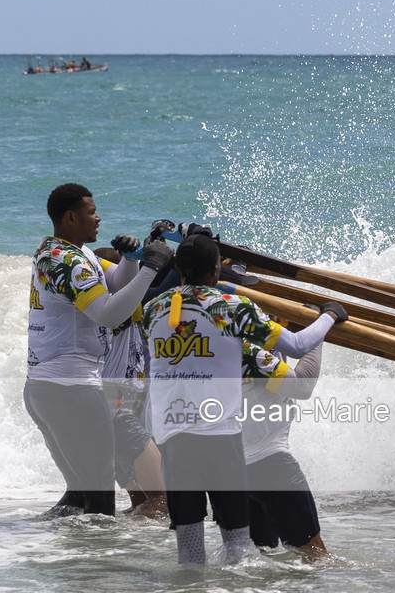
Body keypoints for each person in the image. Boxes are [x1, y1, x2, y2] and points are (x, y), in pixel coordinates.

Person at [141, 234, 342, 565]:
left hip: (174, 444)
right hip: (245, 455)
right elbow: (300, 366)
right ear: (215, 276)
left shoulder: (153, 310)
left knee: (193, 555)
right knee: (308, 559)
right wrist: (327, 316)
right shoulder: (239, 329)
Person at [26, 184, 175, 518]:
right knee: (100, 503)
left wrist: (133, 260)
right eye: (91, 212)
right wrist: (151, 268)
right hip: (73, 388)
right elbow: (109, 313)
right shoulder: (67, 260)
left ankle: (48, 550)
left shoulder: (66, 254)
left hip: (47, 387)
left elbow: (120, 285)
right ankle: (98, 567)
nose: (99, 218)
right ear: (70, 217)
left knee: (79, 494)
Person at [94, 247, 167, 517]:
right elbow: (162, 289)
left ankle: (118, 542)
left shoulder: (93, 308)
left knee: (142, 501)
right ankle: (119, 539)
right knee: (166, 500)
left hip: (111, 410)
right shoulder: (118, 309)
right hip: (117, 411)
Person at [242, 340, 330, 560]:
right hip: (269, 465)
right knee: (316, 557)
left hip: (233, 469)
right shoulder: (248, 352)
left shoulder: (210, 345)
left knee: (259, 559)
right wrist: (317, 334)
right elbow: (302, 386)